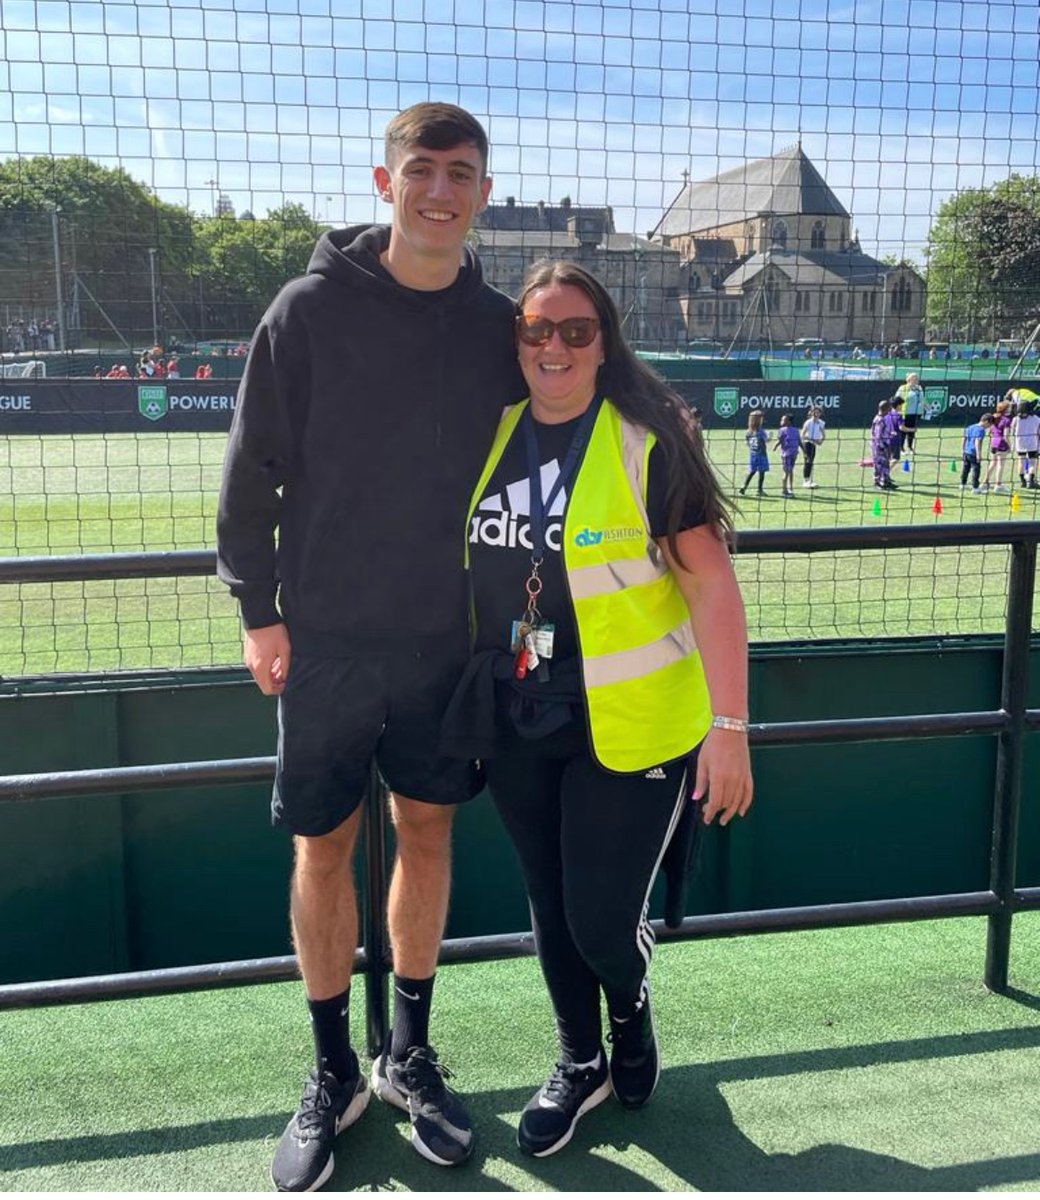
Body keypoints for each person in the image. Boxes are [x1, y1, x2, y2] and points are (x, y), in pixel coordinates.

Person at [216, 102, 522, 1190]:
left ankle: (408, 1057)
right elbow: (249, 475)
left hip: (447, 646)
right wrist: (258, 611)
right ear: (386, 183)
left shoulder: (500, 327)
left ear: (483, 193)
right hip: (328, 642)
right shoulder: (305, 311)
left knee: (427, 836)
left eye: (461, 173)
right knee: (323, 848)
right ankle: (333, 1070)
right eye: (422, 170)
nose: (441, 190)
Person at [442, 259, 752, 1158]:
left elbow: (713, 589)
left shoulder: (646, 442)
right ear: (516, 342)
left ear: (604, 342)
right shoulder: (491, 430)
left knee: (601, 921)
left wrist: (730, 729)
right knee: (549, 904)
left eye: (576, 330)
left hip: (633, 722)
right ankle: (582, 1062)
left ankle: (630, 1009)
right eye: (536, 329)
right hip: (517, 709)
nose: (555, 346)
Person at [982, 400, 1013, 493]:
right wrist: (1010, 446)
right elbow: (1006, 435)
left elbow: (990, 431)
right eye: (1009, 408)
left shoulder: (993, 417)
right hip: (1002, 444)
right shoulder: (1006, 420)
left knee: (993, 463)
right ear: (1006, 409)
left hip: (994, 443)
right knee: (1000, 465)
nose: (1011, 409)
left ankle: (985, 483)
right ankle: (998, 485)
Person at [1011, 397, 1040, 489]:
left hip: (1020, 443)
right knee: (1033, 463)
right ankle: (1031, 482)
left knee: (1021, 462)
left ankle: (1023, 481)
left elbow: (1012, 429)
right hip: (1032, 444)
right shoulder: (1036, 419)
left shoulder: (1016, 419)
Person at [738, 409, 769, 496]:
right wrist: (770, 436)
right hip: (762, 454)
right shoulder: (761, 431)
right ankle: (759, 490)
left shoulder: (749, 431)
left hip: (753, 454)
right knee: (762, 472)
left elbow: (746, 442)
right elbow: (766, 440)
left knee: (752, 471)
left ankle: (743, 487)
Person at [894, 372, 925, 454]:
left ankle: (910, 447)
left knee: (912, 431)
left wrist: (926, 409)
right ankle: (901, 448)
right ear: (909, 379)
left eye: (917, 379)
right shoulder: (902, 388)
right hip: (903, 413)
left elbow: (922, 400)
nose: (916, 380)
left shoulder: (919, 388)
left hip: (914, 413)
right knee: (903, 431)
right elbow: (896, 399)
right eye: (915, 378)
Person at [960, 413, 991, 493]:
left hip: (966, 452)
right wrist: (978, 454)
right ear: (986, 422)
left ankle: (963, 484)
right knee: (976, 470)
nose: (989, 427)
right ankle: (975, 488)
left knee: (965, 469)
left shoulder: (970, 427)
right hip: (973, 453)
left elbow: (964, 438)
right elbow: (977, 442)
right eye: (989, 425)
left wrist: (963, 450)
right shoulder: (981, 430)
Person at [871, 399, 897, 490]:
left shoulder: (882, 418)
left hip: (885, 444)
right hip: (879, 446)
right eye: (889, 408)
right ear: (886, 409)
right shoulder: (879, 420)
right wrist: (882, 446)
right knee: (879, 464)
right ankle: (877, 482)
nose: (890, 410)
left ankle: (886, 481)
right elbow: (878, 435)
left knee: (886, 464)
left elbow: (883, 432)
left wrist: (890, 434)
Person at [774, 412, 800, 498]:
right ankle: (784, 490)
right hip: (786, 454)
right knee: (786, 472)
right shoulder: (782, 430)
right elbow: (780, 440)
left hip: (794, 453)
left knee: (791, 470)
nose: (781, 421)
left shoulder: (795, 430)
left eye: (783, 420)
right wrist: (775, 446)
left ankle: (790, 488)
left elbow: (799, 441)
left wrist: (804, 452)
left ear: (789, 421)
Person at [800, 406, 826, 488]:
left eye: (818, 412)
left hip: (814, 444)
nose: (816, 414)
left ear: (820, 414)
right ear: (811, 413)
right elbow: (802, 435)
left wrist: (820, 441)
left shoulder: (821, 423)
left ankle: (810, 480)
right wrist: (812, 439)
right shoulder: (808, 422)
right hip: (807, 443)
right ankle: (806, 480)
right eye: (814, 412)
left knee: (811, 462)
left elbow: (823, 435)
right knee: (808, 461)